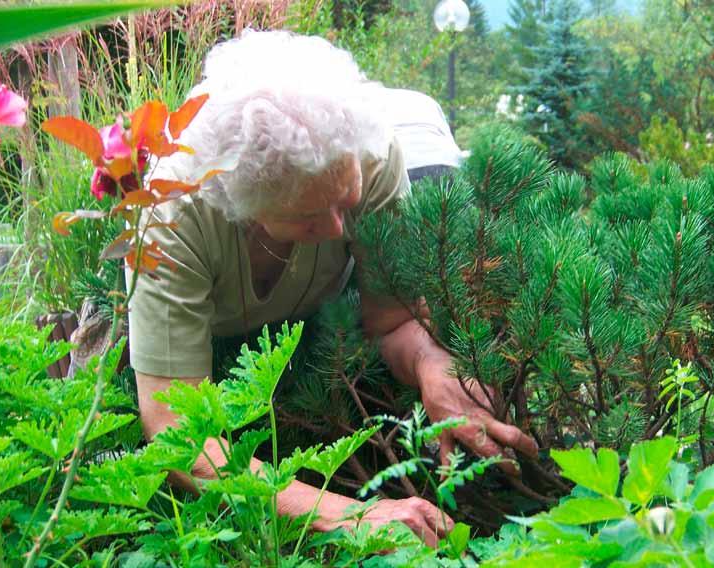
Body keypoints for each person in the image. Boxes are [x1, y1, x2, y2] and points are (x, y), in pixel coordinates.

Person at [128, 30, 538, 547]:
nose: (342, 230)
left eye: (347, 200)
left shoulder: (369, 152)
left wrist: (432, 364)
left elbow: (391, 319)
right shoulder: (171, 218)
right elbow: (176, 432)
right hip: (211, 344)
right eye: (308, 218)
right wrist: (349, 515)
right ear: (245, 208)